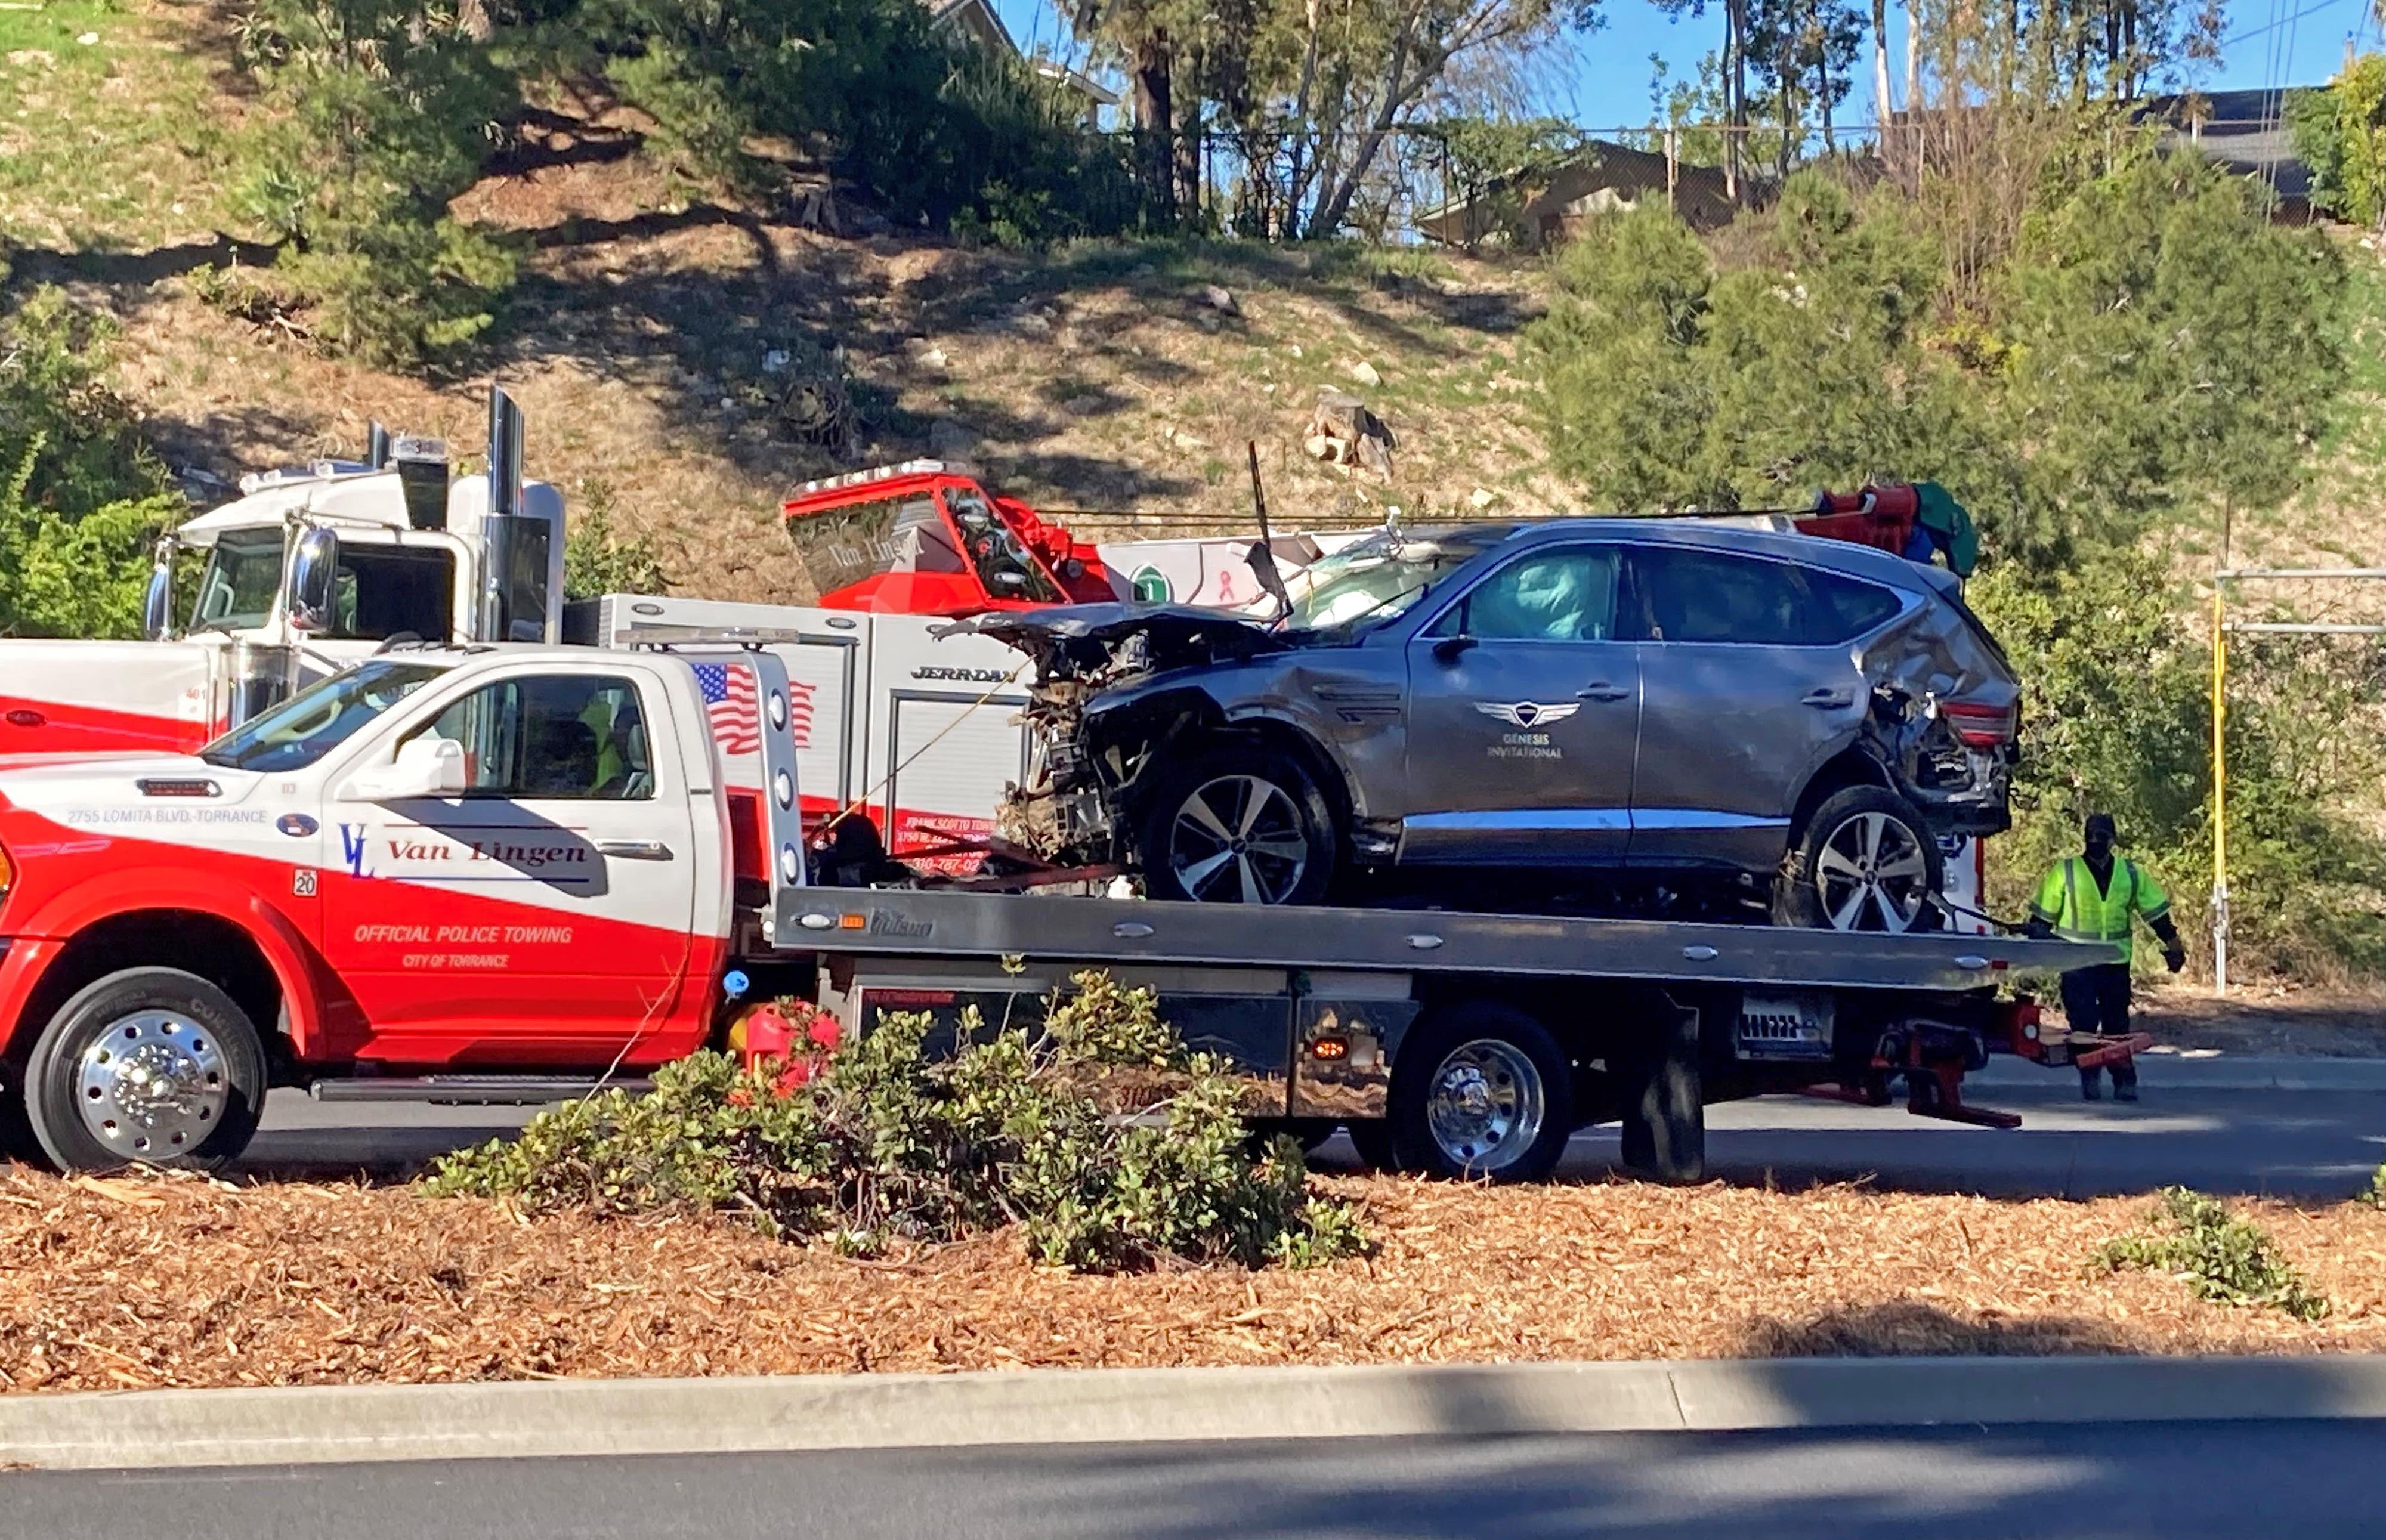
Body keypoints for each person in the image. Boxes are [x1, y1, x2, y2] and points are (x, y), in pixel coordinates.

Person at [2025, 814, 2187, 1102]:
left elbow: (2157, 915)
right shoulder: (2066, 872)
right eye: (2092, 835)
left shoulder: (2130, 874)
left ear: (2112, 840)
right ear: (2085, 837)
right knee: (2083, 1026)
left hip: (2115, 962)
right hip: (2077, 963)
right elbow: (2040, 919)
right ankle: (2090, 1078)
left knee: (2116, 1025)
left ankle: (2124, 1080)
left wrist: (2173, 944)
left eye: (2101, 836)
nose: (2096, 841)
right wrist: (2040, 939)